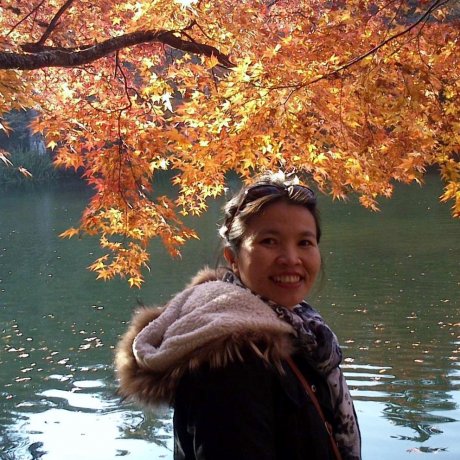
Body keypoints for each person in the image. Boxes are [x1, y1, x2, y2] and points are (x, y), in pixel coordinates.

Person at [115, 171, 361, 460]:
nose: (291, 258)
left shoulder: (300, 330)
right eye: (269, 241)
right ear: (233, 259)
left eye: (304, 242)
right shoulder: (230, 358)